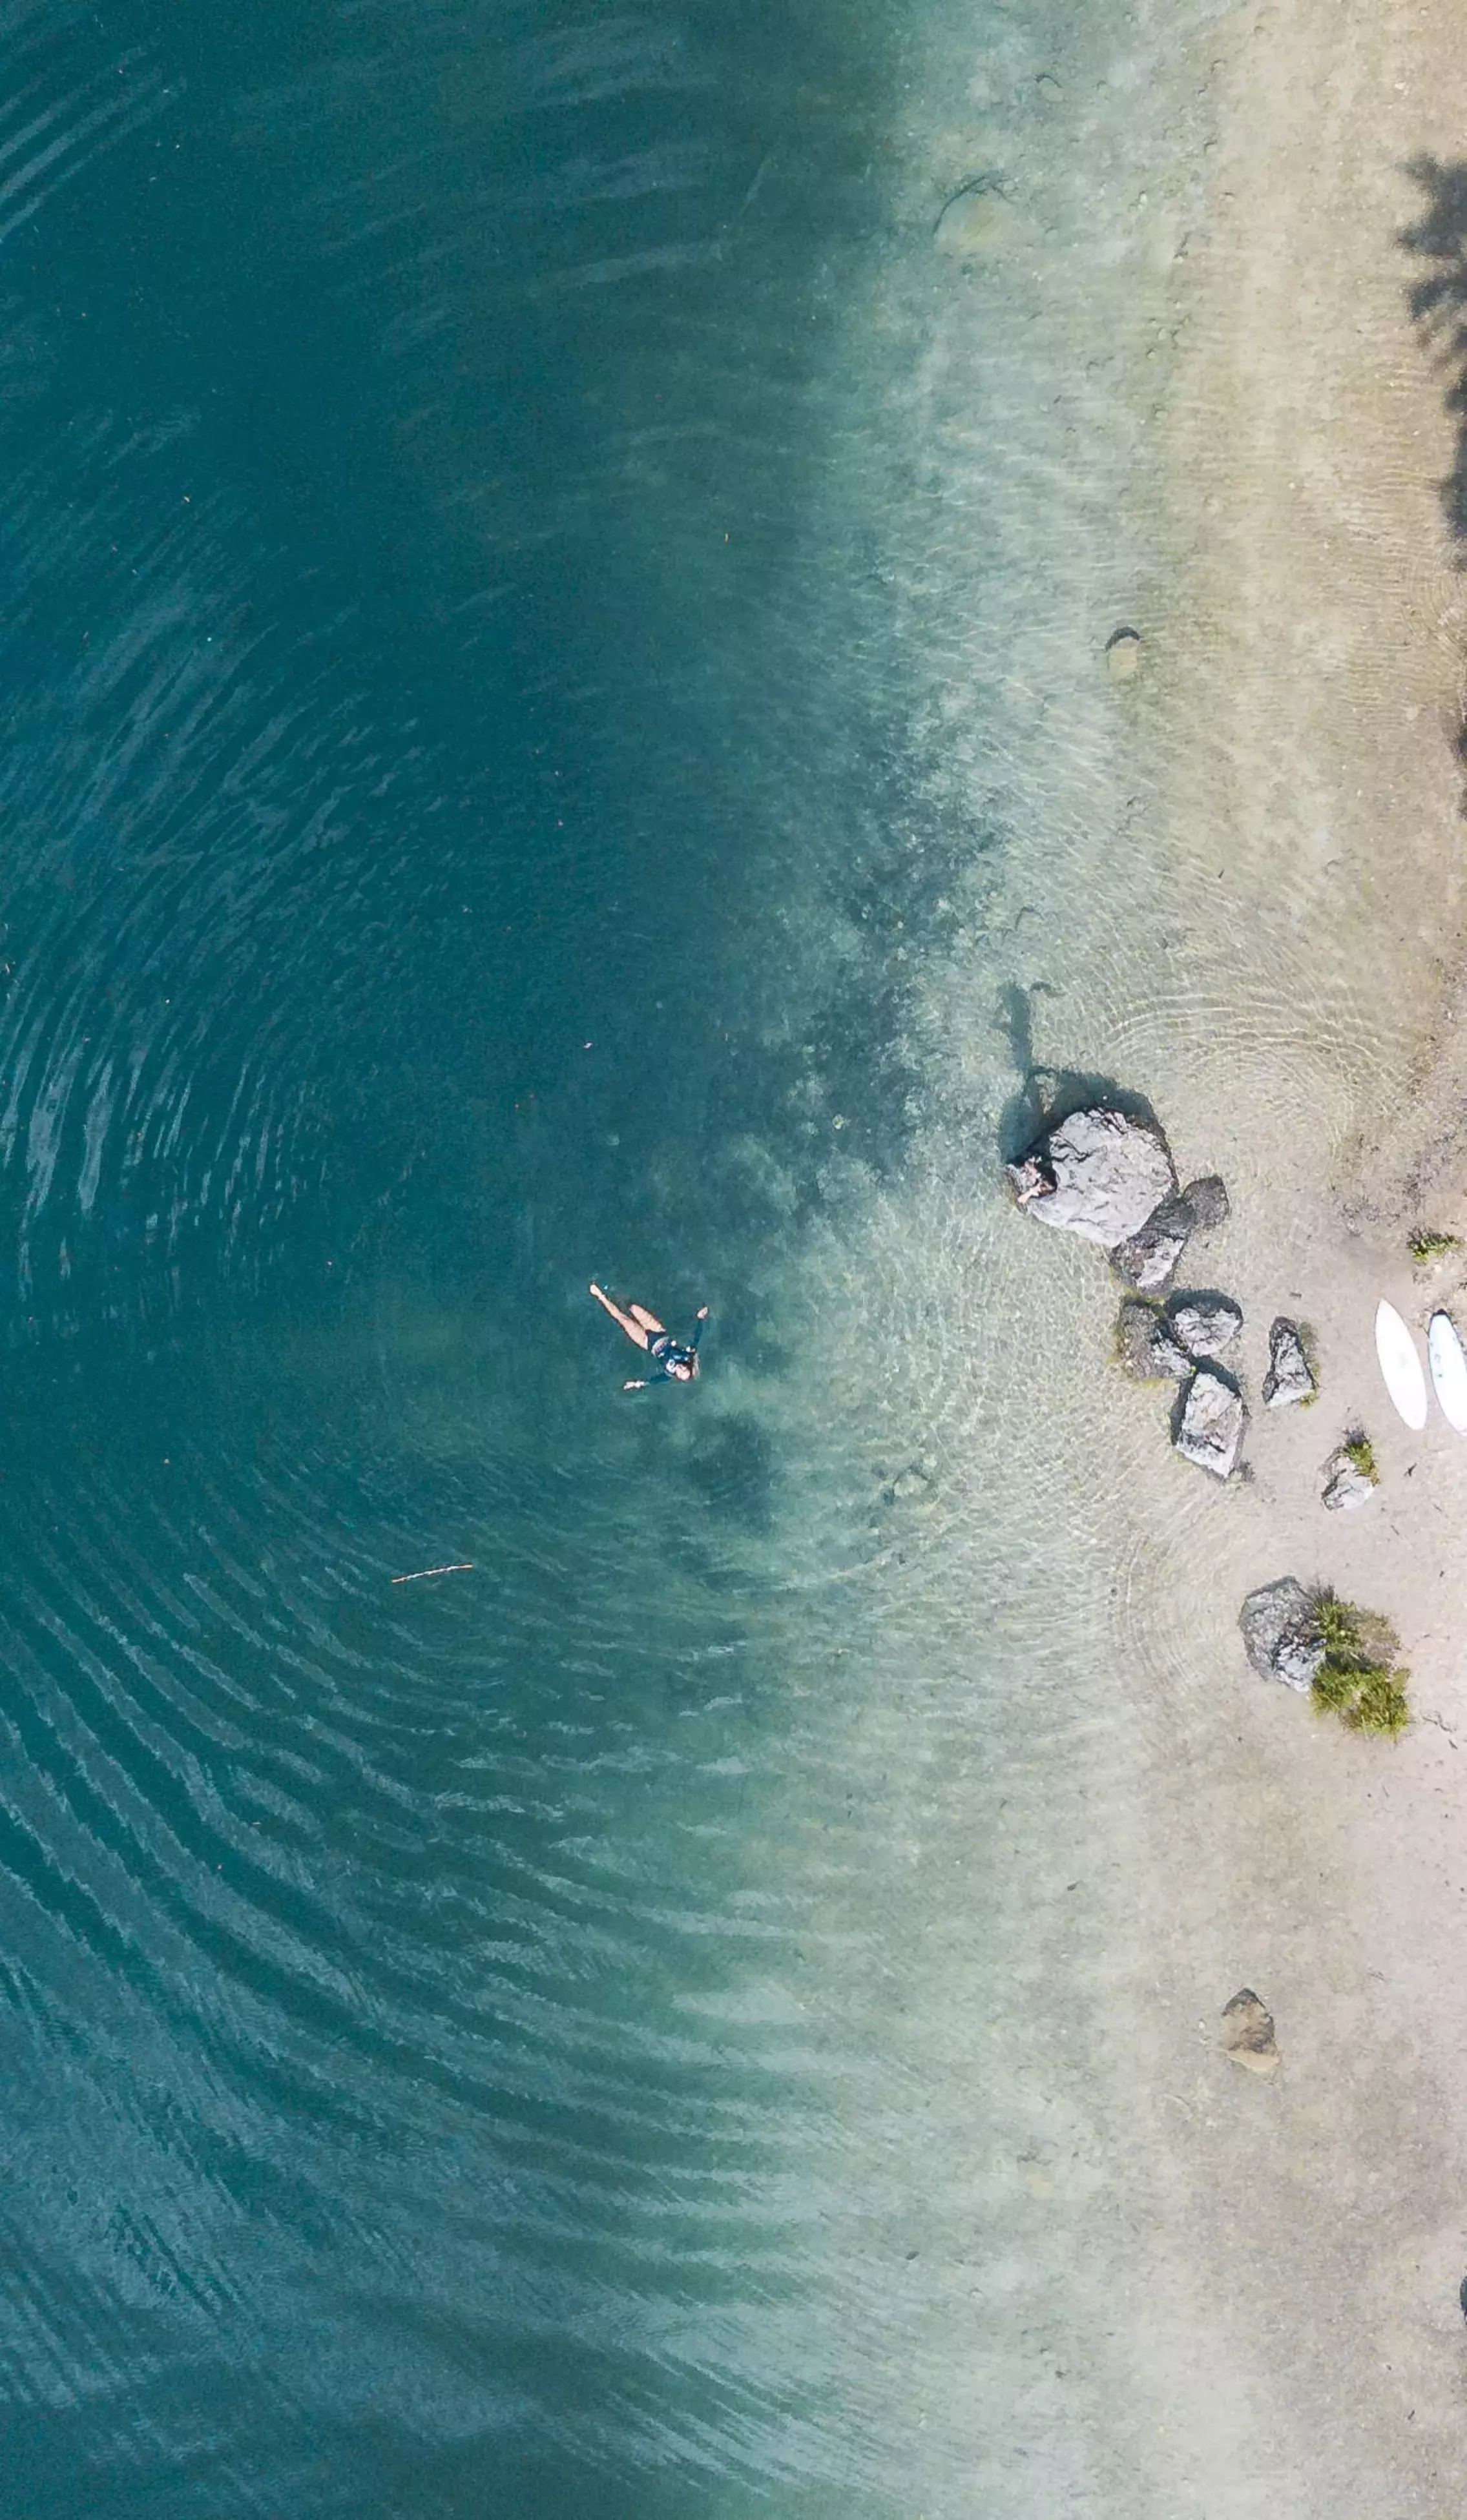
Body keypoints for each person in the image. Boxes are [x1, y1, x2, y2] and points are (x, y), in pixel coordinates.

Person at [589, 1283, 709, 1388]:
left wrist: (636, 1384)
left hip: (646, 1342)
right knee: (633, 1307)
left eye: (682, 1374)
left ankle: (600, 1295)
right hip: (658, 1331)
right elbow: (697, 1337)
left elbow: (653, 1381)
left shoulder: (668, 1374)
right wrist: (700, 1319)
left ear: (678, 1377)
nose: (681, 1370)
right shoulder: (686, 1355)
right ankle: (616, 1291)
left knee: (623, 1320)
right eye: (685, 1369)